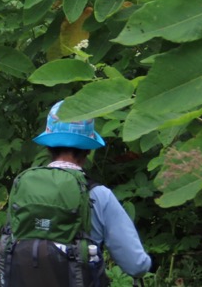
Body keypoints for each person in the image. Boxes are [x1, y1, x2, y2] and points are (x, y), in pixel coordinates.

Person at [31, 100, 151, 279]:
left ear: (49, 146)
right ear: (87, 150)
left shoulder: (26, 186)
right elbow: (136, 265)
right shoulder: (99, 195)